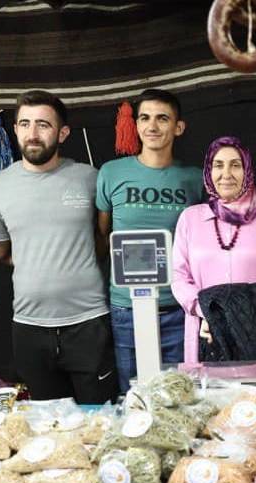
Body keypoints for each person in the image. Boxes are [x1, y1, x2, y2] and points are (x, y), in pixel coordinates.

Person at [0, 90, 117, 403]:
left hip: (89, 322)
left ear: (62, 132)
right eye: (25, 124)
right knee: (48, 425)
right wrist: (39, 258)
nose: (32, 134)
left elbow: (103, 240)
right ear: (14, 129)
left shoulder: (90, 178)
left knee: (101, 419)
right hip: (29, 328)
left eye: (43, 125)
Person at [96, 89, 204, 391]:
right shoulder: (112, 173)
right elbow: (101, 236)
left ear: (178, 127)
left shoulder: (195, 178)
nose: (152, 126)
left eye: (162, 118)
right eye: (144, 118)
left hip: (179, 309)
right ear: (136, 124)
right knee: (133, 398)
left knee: (180, 398)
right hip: (126, 308)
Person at [171, 136, 256, 367]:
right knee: (210, 399)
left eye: (235, 164)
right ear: (208, 170)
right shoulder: (190, 218)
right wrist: (207, 314)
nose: (226, 173)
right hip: (206, 329)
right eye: (218, 165)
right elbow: (179, 277)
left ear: (247, 169)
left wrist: (241, 316)